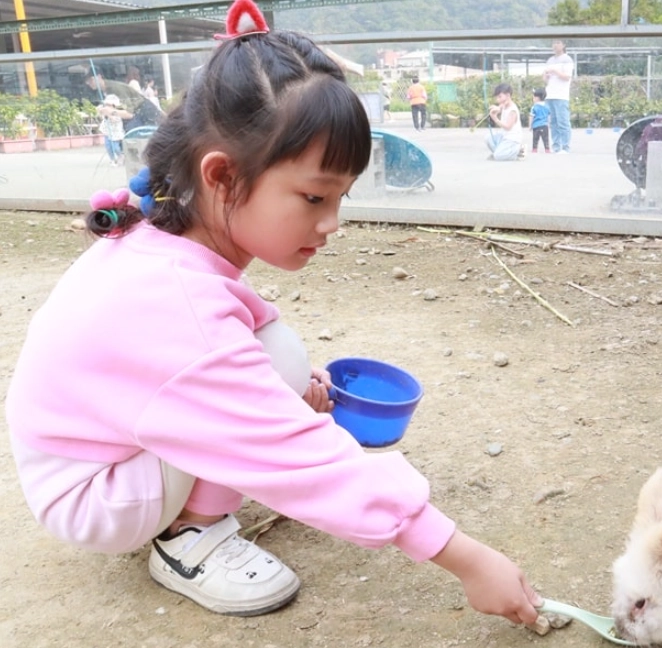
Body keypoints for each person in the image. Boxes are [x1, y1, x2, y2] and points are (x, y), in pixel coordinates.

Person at [6, 0, 541, 627]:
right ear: (222, 176)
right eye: (314, 196)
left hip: (103, 447)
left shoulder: (170, 240)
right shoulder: (173, 307)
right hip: (96, 494)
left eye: (340, 197)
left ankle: (190, 506)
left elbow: (234, 343)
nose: (331, 223)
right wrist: (469, 559)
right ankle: (188, 541)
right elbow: (293, 451)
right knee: (269, 385)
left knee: (279, 360)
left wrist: (283, 390)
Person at [543, 40, 573, 154]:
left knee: (563, 121)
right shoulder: (550, 60)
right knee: (553, 122)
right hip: (549, 94)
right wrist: (546, 75)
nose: (555, 45)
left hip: (561, 95)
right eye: (553, 42)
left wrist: (555, 71)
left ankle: (565, 147)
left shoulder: (567, 59)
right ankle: (556, 146)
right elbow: (545, 79)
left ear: (564, 45)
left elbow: (567, 77)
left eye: (558, 42)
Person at [485, 83, 524, 161]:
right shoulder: (504, 105)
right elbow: (500, 108)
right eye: (497, 97)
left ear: (508, 95)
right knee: (488, 138)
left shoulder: (512, 110)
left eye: (500, 97)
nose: (498, 100)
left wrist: (495, 119)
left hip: (512, 139)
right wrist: (496, 108)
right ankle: (502, 152)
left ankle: (518, 150)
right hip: (504, 137)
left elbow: (508, 127)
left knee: (498, 156)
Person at [96, 94, 131, 167]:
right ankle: (112, 159)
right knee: (108, 146)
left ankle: (120, 156)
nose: (107, 106)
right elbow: (99, 112)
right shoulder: (105, 110)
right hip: (107, 132)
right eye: (106, 104)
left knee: (115, 147)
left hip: (115, 133)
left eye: (109, 105)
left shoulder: (117, 112)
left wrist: (109, 115)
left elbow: (114, 120)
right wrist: (101, 110)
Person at [529, 88, 550, 154]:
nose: (533, 99)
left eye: (534, 97)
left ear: (537, 98)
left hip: (536, 126)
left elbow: (531, 117)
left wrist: (530, 125)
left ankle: (534, 149)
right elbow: (549, 116)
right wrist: (548, 124)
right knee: (545, 138)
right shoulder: (547, 106)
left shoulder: (534, 107)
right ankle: (547, 149)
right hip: (544, 125)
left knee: (535, 138)